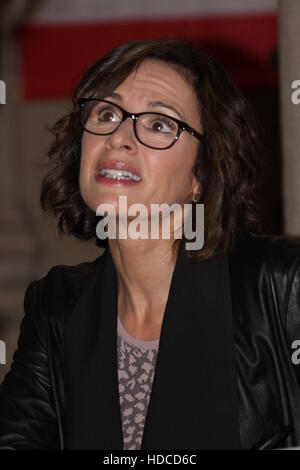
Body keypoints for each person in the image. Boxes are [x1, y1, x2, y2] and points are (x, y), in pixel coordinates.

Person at [0, 38, 300, 451]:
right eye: (107, 113)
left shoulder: (282, 287)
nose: (120, 137)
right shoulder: (56, 307)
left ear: (201, 176)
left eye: (159, 124)